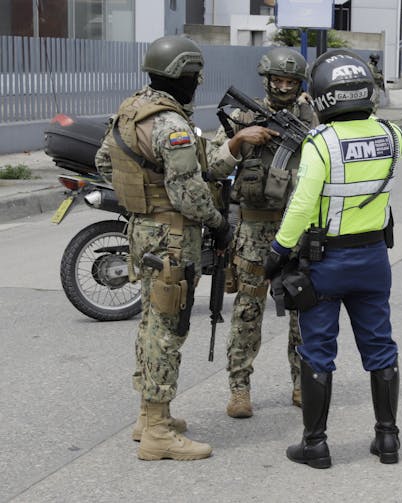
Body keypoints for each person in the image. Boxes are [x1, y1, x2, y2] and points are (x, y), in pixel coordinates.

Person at [94, 35, 255, 460]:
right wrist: (220, 223)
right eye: (193, 78)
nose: (196, 85)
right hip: (171, 238)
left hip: (143, 231)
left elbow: (103, 163)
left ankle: (148, 417)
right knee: (168, 330)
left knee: (151, 323)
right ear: (183, 77)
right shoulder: (172, 125)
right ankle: (159, 433)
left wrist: (145, 192)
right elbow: (188, 195)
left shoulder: (131, 110)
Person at [263, 49, 402, 469]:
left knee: (318, 350)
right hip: (374, 259)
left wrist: (277, 252)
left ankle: (316, 445)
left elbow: (302, 206)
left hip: (325, 263)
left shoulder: (320, 144)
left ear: (323, 96)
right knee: (380, 347)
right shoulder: (394, 135)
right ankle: (388, 439)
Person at [206, 47, 317, 418]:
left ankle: (303, 383)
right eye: (278, 80)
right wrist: (238, 142)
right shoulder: (241, 115)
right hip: (254, 229)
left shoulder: (313, 120)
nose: (284, 87)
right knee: (248, 311)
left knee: (304, 310)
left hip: (298, 228)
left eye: (291, 81)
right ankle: (239, 388)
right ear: (266, 79)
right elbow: (212, 167)